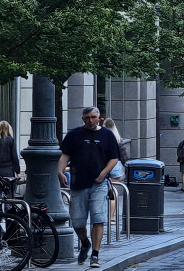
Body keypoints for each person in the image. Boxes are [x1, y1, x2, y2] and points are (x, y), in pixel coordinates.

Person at [58, 107, 119, 269]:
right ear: (82, 118)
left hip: (99, 183)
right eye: (87, 118)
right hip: (78, 183)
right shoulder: (73, 135)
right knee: (77, 221)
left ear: (99, 118)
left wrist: (103, 174)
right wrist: (60, 171)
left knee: (98, 218)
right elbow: (65, 155)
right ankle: (85, 242)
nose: (90, 121)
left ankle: (95, 255)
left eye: (93, 117)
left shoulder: (107, 135)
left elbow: (114, 158)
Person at [0, 121, 20, 196]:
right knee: (8, 191)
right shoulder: (10, 140)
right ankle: (8, 206)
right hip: (7, 170)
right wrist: (17, 171)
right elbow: (14, 157)